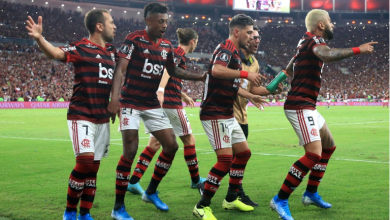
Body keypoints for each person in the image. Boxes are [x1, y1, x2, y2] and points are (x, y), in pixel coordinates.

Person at [269, 9, 377, 220]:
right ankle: (280, 199)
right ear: (320, 25)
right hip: (299, 105)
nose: (332, 24)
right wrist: (358, 49)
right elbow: (326, 55)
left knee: (329, 147)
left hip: (308, 105)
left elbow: (290, 67)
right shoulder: (314, 40)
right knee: (313, 154)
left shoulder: (303, 42)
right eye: (329, 21)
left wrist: (274, 84)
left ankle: (310, 193)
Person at [107, 3, 205, 220]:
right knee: (129, 153)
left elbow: (174, 70)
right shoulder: (134, 39)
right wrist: (114, 99)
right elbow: (120, 68)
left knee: (171, 146)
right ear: (148, 21)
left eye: (166, 21)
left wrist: (198, 77)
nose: (164, 25)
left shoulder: (167, 45)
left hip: (151, 104)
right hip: (130, 102)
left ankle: (150, 191)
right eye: (160, 21)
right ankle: (118, 208)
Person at [26, 9, 117, 220]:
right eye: (111, 22)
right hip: (81, 114)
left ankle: (85, 213)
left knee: (93, 167)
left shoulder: (112, 51)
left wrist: (116, 101)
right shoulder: (81, 47)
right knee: (84, 161)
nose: (115, 26)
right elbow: (55, 54)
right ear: (99, 26)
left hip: (102, 118)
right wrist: (40, 38)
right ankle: (69, 212)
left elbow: (115, 79)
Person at [192, 14, 265, 220]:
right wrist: (246, 75)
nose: (251, 37)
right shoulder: (226, 48)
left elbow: (232, 85)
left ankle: (231, 198)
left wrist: (250, 94)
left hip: (226, 113)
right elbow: (216, 70)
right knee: (224, 160)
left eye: (253, 33)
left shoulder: (234, 52)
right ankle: (202, 205)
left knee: (243, 153)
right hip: (214, 112)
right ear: (237, 32)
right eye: (249, 32)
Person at [126, 27, 206, 195]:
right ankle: (196, 180)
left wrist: (182, 94)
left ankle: (133, 181)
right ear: (193, 41)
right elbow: (166, 72)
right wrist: (161, 90)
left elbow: (167, 75)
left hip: (163, 104)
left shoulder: (174, 53)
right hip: (170, 104)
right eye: (197, 42)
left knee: (154, 144)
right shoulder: (177, 53)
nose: (196, 45)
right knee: (190, 140)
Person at [233, 25, 283, 207]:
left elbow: (252, 89)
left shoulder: (254, 62)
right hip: (227, 114)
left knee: (235, 158)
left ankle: (222, 190)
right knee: (237, 157)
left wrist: (271, 91)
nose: (257, 40)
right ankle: (235, 194)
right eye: (253, 37)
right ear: (244, 38)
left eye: (258, 38)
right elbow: (230, 86)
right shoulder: (233, 58)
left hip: (242, 115)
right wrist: (252, 96)